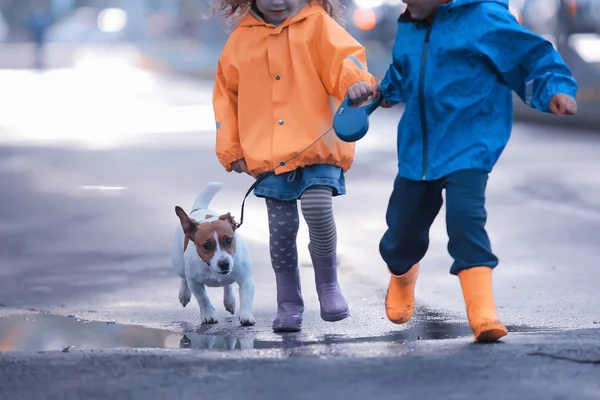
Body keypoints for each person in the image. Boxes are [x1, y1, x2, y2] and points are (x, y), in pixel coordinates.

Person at [372, 0, 578, 342]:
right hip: (418, 148)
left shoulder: (484, 17)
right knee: (401, 232)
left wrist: (555, 88)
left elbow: (530, 55)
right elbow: (405, 69)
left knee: (466, 219)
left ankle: (483, 314)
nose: (407, 2)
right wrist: (386, 91)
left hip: (471, 141)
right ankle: (402, 272)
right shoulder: (411, 22)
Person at [212, 0, 375, 332]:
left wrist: (355, 82)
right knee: (282, 230)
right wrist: (232, 148)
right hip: (272, 155)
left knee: (317, 207)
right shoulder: (241, 40)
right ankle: (288, 301)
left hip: (317, 143)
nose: (277, 1)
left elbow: (344, 60)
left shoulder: (316, 25)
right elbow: (227, 97)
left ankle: (328, 286)